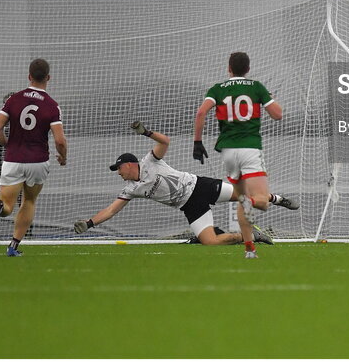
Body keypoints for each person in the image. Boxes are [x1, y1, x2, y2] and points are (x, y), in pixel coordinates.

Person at [73, 121, 276, 250]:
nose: (118, 173)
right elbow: (111, 210)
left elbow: (165, 142)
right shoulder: (130, 189)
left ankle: (277, 199)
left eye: (118, 168)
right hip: (190, 206)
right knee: (210, 242)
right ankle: (250, 235)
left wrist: (146, 132)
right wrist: (89, 223)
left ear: (128, 164)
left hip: (199, 186)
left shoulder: (149, 162)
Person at [194, 52, 298, 258]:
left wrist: (197, 142)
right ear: (248, 69)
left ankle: (250, 249)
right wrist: (269, 98)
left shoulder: (217, 89)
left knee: (243, 200)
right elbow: (278, 115)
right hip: (249, 149)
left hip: (228, 152)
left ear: (229, 68)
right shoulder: (257, 87)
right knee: (261, 202)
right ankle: (275, 198)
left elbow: (200, 113)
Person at [0, 59, 67, 256]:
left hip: (12, 160)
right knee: (28, 201)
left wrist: (6, 144)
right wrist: (63, 157)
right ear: (48, 78)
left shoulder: (13, 100)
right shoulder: (52, 106)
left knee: (8, 205)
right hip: (38, 161)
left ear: (29, 76)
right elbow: (60, 141)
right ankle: (13, 246)